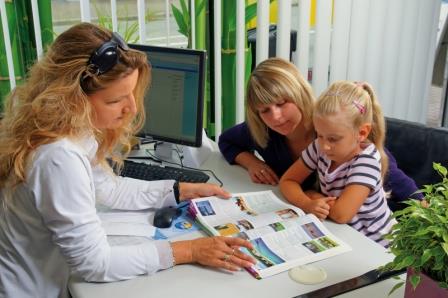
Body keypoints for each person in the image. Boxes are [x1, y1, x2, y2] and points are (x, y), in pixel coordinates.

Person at [0, 23, 255, 298]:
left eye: (133, 94)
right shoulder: (57, 157)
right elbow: (95, 264)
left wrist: (177, 190)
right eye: (116, 100)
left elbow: (108, 188)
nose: (132, 108)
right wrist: (189, 250)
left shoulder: (70, 129)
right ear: (71, 98)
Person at [218, 57, 423, 205]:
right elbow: (226, 141)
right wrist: (251, 163)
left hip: (366, 229)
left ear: (300, 93)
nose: (276, 117)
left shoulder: (332, 126)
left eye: (282, 103)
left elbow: (397, 180)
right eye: (265, 110)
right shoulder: (263, 129)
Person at [279, 81, 395, 247]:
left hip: (381, 248)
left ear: (361, 133)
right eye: (319, 135)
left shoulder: (366, 162)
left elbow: (341, 215)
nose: (325, 145)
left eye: (333, 139)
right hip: (346, 237)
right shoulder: (320, 147)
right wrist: (306, 203)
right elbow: (287, 181)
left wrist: (313, 194)